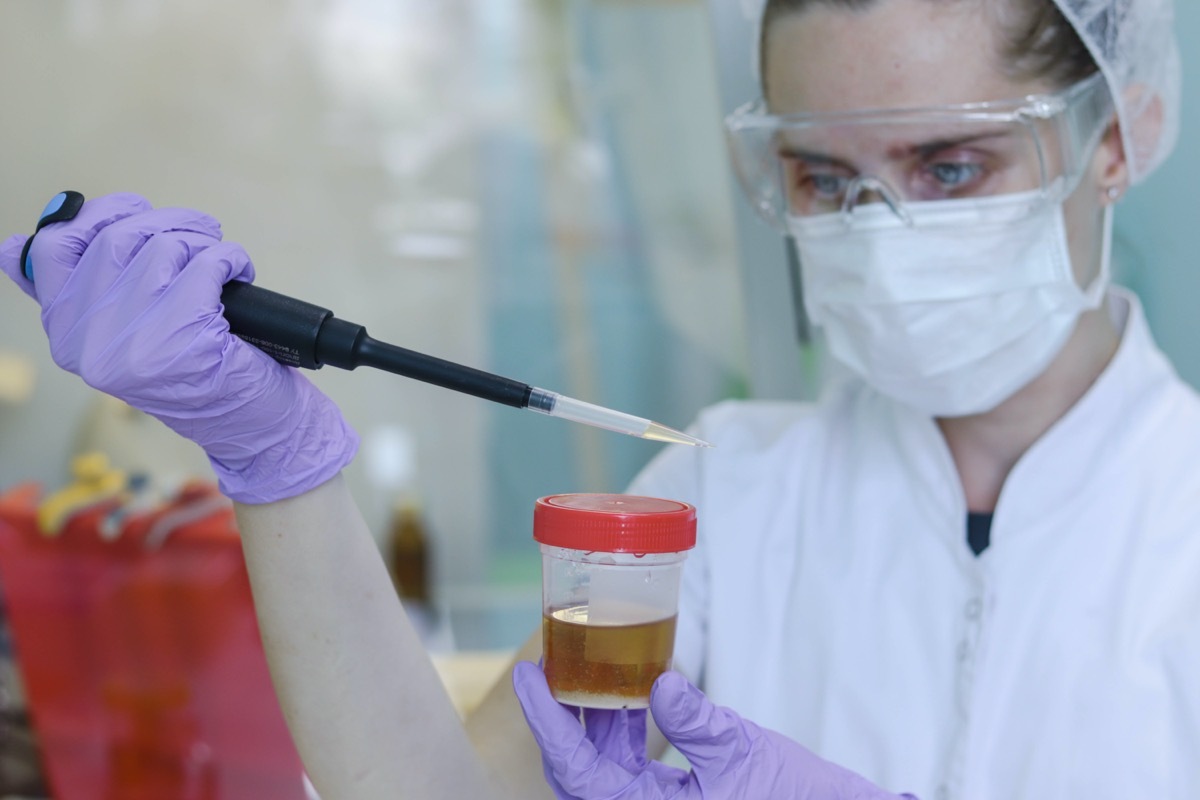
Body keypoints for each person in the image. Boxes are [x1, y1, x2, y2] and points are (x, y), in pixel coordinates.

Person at [0, 0, 1192, 796]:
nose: (879, 234)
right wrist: (278, 463)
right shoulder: (730, 486)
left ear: (1119, 135)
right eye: (824, 176)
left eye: (949, 164)